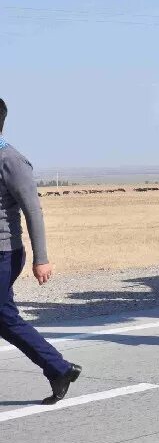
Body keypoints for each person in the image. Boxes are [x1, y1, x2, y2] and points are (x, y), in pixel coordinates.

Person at [0, 98, 81, 403]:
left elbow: (33, 212)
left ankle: (57, 367)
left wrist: (41, 258)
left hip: (4, 253)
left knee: (3, 316)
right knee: (4, 318)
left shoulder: (11, 161)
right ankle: (58, 368)